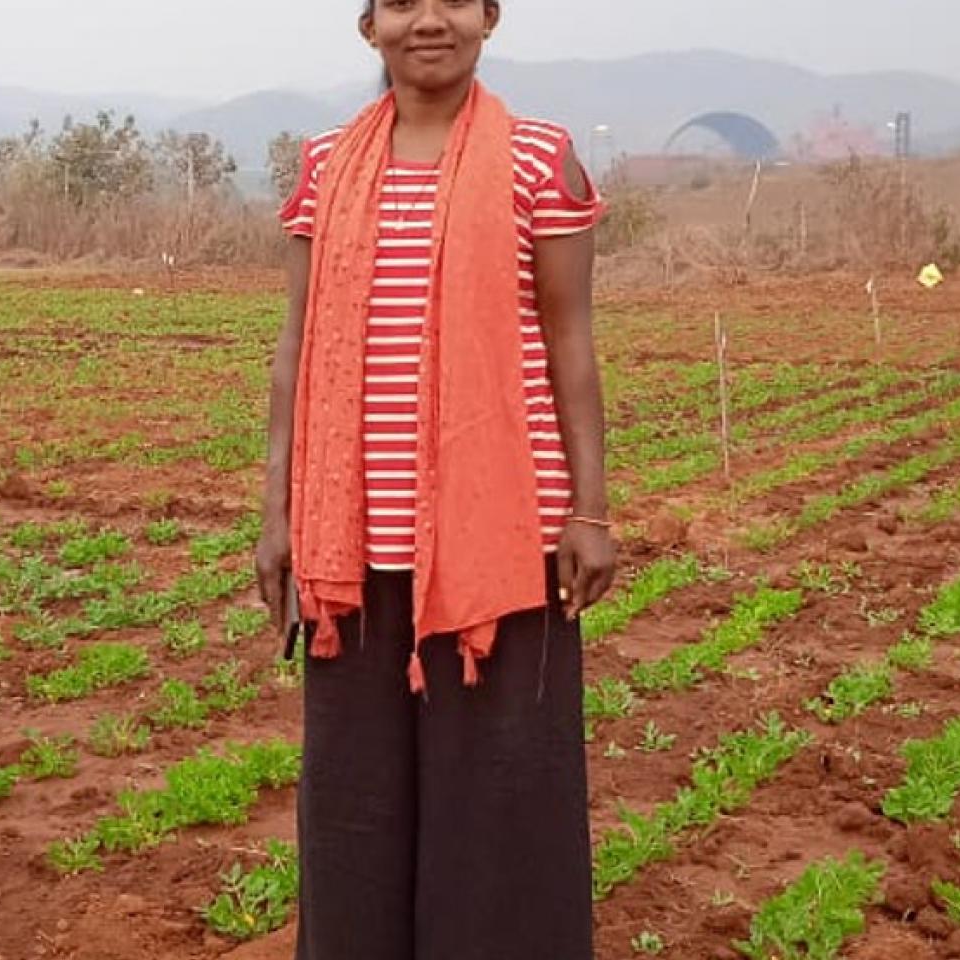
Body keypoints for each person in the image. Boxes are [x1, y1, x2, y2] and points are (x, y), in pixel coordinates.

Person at [256, 0, 615, 957]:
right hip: (352, 555)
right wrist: (278, 514)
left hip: (506, 551)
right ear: (367, 24)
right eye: (404, 1)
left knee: (503, 812)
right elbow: (296, 347)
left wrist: (590, 509)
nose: (430, 20)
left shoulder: (542, 157)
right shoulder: (328, 166)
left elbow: (571, 341)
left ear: (490, 17)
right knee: (356, 816)